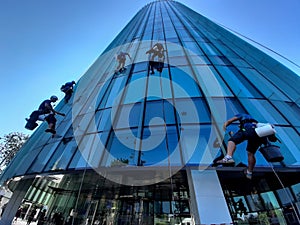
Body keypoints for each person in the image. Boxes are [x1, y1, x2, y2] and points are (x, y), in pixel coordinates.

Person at [216, 113, 268, 179]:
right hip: (258, 135)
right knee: (251, 153)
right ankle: (249, 172)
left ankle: (228, 157)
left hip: (248, 129)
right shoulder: (256, 123)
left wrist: (223, 127)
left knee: (232, 141)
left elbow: (229, 121)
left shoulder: (242, 115)